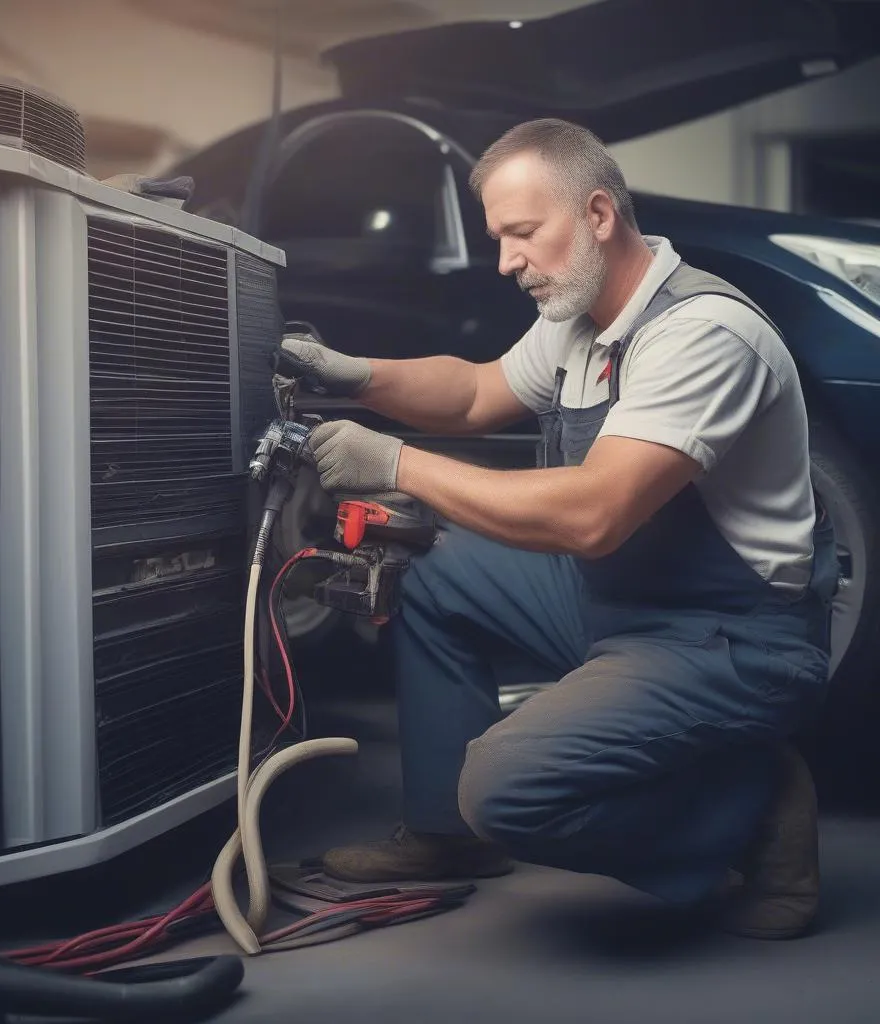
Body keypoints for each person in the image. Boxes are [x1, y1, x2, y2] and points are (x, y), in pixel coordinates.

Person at [277, 118, 838, 940]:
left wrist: (394, 464)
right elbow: (473, 392)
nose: (507, 261)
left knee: (507, 787)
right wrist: (355, 377)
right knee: (435, 570)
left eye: (522, 234)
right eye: (500, 237)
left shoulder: (702, 334)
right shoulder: (580, 318)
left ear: (600, 214)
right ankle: (444, 836)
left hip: (731, 636)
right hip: (624, 600)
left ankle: (751, 809)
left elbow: (594, 515)